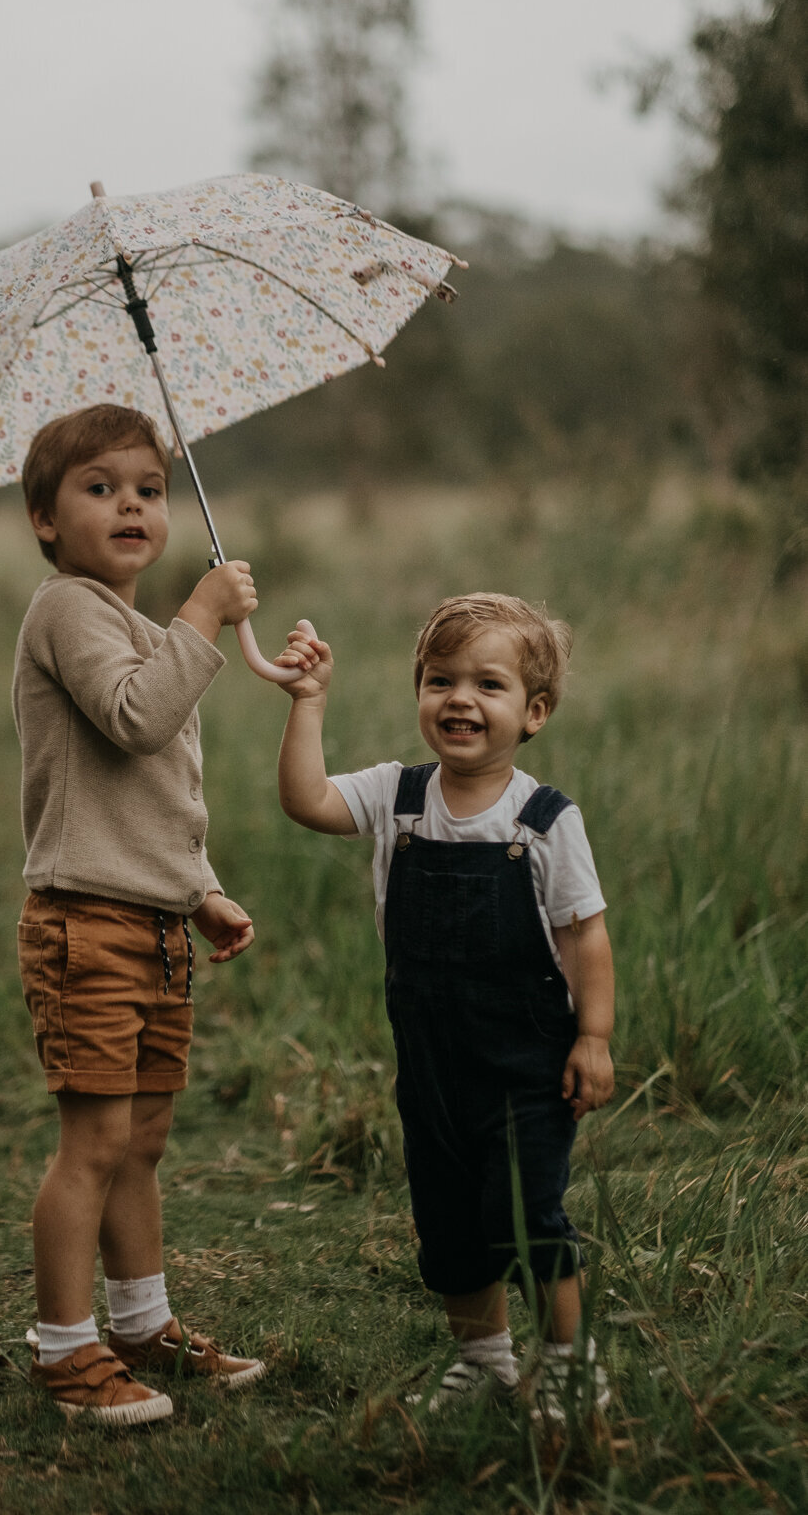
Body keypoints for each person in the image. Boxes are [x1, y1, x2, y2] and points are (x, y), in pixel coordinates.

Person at [275, 593, 615, 1419]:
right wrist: (308, 704)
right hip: (430, 1057)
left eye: (487, 685)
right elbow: (306, 801)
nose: (459, 698)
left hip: (524, 1060)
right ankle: (482, 1358)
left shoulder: (541, 820)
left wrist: (594, 1037)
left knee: (525, 1212)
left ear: (533, 713)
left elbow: (585, 938)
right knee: (448, 1215)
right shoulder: (398, 796)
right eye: (439, 679)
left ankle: (569, 1365)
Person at [13, 402, 267, 1426]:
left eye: (149, 489)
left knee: (144, 1138)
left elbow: (141, 794)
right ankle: (65, 1349)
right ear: (44, 517)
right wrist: (199, 616)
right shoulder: (65, 609)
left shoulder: (124, 621)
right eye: (100, 487)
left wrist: (195, 887)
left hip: (152, 924)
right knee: (94, 1141)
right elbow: (134, 720)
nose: (132, 504)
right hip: (87, 927)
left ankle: (140, 1318)